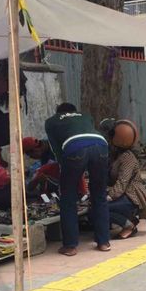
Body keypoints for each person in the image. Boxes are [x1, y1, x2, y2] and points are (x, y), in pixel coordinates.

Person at [45, 103, 109, 255]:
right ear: (74, 112)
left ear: (58, 112)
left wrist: (65, 169)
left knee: (68, 198)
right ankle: (104, 242)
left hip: (74, 148)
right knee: (99, 195)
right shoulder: (85, 116)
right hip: (101, 144)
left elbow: (55, 148)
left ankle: (70, 246)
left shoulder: (52, 121)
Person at [107, 145, 146, 239]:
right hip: (122, 194)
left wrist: (109, 196)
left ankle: (129, 226)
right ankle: (128, 219)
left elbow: (123, 181)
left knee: (101, 207)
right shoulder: (115, 156)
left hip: (131, 196)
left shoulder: (127, 157)